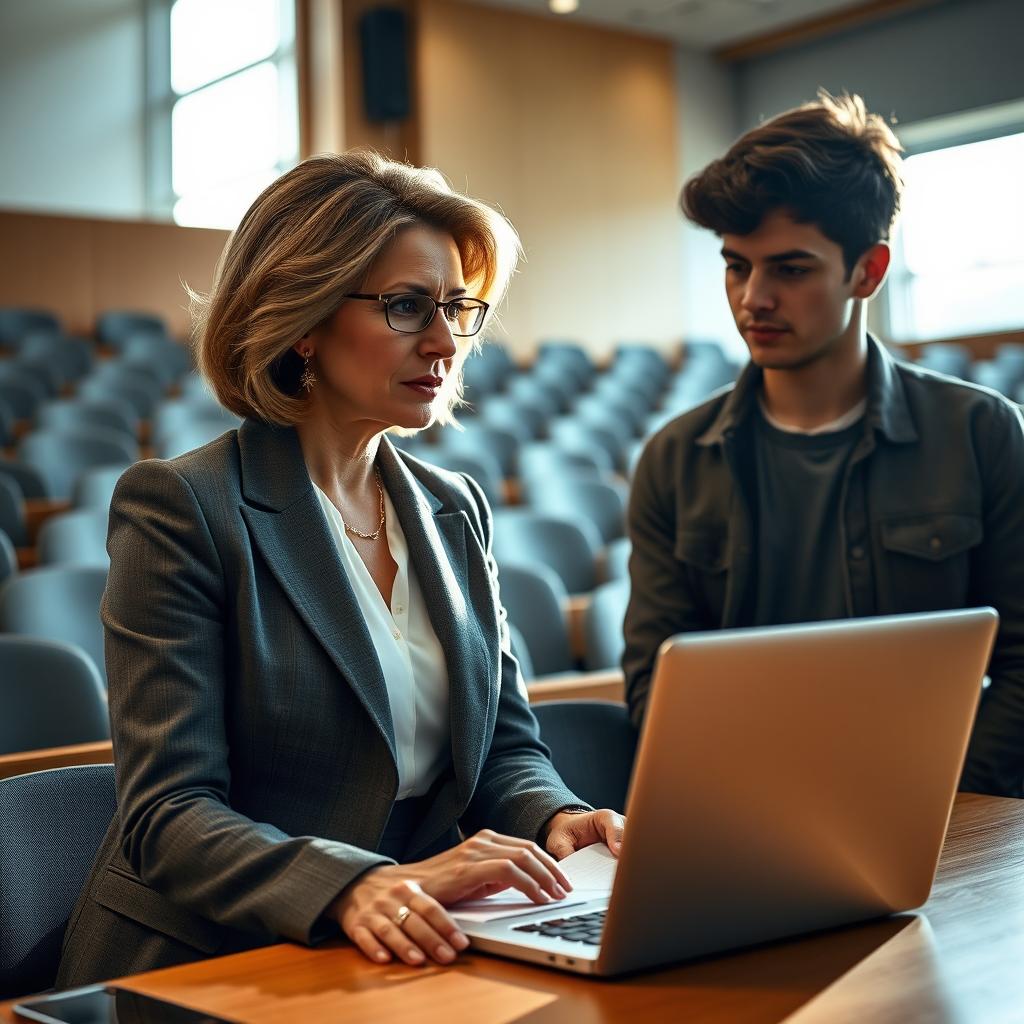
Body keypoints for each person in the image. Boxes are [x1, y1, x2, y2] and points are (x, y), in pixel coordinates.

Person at [58, 151, 624, 987]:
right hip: (210, 958)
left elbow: (504, 746)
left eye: (456, 309)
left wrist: (557, 815)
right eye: (405, 307)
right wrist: (356, 885)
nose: (444, 341)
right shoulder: (181, 507)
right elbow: (167, 815)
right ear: (302, 320)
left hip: (406, 939)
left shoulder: (454, 506)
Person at [623, 92, 1024, 798]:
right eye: (736, 266)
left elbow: (1021, 664)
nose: (753, 298)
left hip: (946, 810)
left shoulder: (984, 433)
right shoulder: (674, 460)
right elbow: (656, 680)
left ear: (867, 271)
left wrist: (942, 806)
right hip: (744, 810)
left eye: (791, 269)